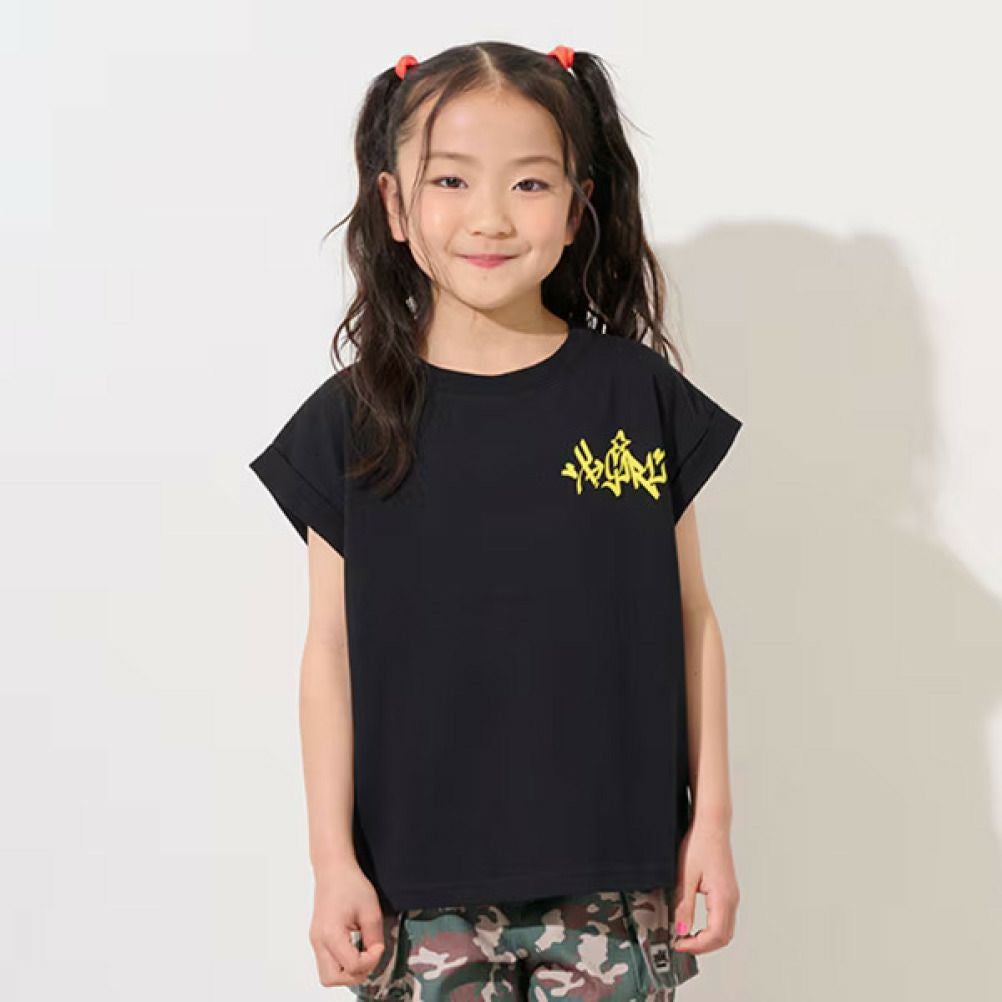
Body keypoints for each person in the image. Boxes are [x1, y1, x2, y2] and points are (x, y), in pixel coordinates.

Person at [249, 40, 743, 1001]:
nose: (489, 217)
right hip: (412, 889)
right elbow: (329, 652)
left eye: (528, 183)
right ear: (394, 205)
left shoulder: (636, 397)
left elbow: (693, 620)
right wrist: (331, 861)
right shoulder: (351, 420)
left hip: (616, 876)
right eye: (450, 180)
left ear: (577, 206)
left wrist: (711, 826)